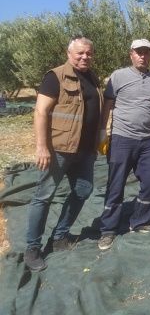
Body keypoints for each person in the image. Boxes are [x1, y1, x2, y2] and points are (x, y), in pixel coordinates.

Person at [23, 37, 103, 271]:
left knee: (84, 190)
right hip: (59, 150)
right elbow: (40, 112)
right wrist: (41, 147)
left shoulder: (93, 77)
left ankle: (59, 236)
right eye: (79, 53)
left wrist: (98, 141)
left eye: (88, 53)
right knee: (44, 196)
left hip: (85, 150)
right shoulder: (55, 76)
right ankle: (32, 248)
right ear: (69, 54)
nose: (84, 57)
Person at [97, 39, 150, 251]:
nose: (143, 56)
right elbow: (108, 106)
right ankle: (108, 230)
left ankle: (139, 221)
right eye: (139, 52)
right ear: (131, 54)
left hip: (149, 140)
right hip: (122, 138)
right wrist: (103, 133)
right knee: (115, 184)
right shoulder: (118, 76)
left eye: (147, 53)